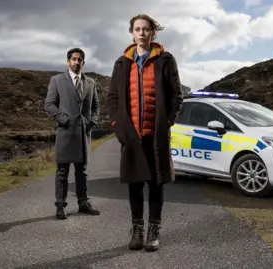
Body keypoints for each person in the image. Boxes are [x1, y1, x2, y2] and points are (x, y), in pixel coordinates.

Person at [106, 14, 183, 251]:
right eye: (137, 29)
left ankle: (154, 229)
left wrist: (168, 121)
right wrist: (117, 126)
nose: (141, 33)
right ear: (132, 33)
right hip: (131, 135)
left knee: (156, 183)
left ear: (153, 33)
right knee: (135, 183)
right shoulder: (122, 63)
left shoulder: (165, 60)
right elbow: (113, 98)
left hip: (155, 134)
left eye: (146, 29)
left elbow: (176, 96)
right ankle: (137, 229)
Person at [44, 47, 101, 219]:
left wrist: (91, 121)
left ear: (83, 62)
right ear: (68, 61)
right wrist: (64, 119)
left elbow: (96, 106)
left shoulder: (90, 82)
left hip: (83, 134)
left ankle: (83, 203)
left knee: (81, 171)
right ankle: (60, 206)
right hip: (65, 132)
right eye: (74, 59)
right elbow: (49, 105)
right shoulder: (56, 80)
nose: (77, 62)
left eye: (80, 59)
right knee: (62, 171)